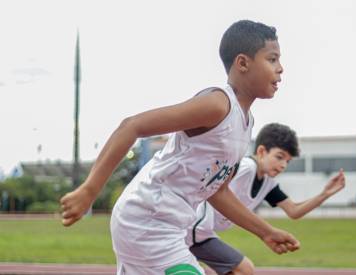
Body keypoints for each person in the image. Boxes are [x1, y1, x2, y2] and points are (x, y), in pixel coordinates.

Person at [60, 20, 300, 275]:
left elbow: (217, 192)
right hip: (147, 220)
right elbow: (132, 126)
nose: (281, 69)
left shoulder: (245, 125)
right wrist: (90, 190)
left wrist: (266, 232)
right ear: (243, 63)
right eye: (272, 59)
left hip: (169, 227)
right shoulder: (218, 104)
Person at [188, 123, 346, 275]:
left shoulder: (267, 183)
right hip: (192, 228)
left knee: (242, 269)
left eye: (288, 161)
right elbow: (213, 190)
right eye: (280, 157)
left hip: (202, 234)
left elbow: (294, 211)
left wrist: (325, 193)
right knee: (243, 269)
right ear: (262, 151)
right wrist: (266, 232)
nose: (283, 165)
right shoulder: (244, 167)